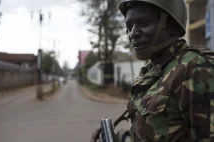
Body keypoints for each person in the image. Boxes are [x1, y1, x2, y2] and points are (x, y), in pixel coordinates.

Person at [91, 0, 214, 141]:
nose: (133, 33)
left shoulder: (196, 68)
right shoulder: (151, 70)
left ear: (171, 25)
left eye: (143, 23)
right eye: (129, 26)